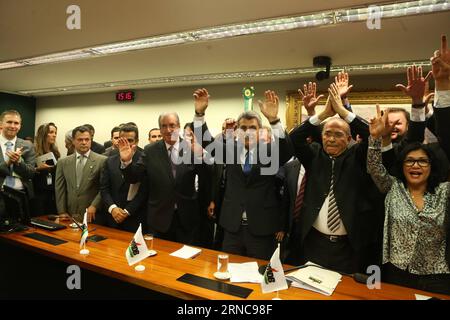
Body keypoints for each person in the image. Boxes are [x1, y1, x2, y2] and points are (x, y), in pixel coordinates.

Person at [288, 83, 384, 274]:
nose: (331, 139)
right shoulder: (314, 156)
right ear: (321, 137)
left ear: (349, 139)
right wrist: (322, 115)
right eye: (327, 134)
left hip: (348, 248)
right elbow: (294, 138)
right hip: (314, 243)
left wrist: (342, 111)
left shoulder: (357, 156)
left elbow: (370, 135)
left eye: (338, 135)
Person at [194, 88, 291, 260]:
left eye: (253, 128)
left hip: (261, 228)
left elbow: (286, 150)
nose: (248, 132)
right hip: (232, 228)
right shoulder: (230, 150)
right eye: (243, 128)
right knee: (230, 271)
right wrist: (199, 113)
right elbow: (206, 142)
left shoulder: (269, 151)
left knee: (259, 275)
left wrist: (274, 120)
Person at [118, 112, 208, 244]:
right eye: (164, 126)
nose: (168, 130)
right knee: (159, 260)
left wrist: (200, 154)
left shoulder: (190, 147)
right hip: (159, 219)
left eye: (172, 125)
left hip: (187, 218)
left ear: (179, 126)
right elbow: (134, 178)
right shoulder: (150, 150)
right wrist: (126, 162)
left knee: (186, 260)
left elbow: (206, 176)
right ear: (160, 128)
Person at [55, 125, 107, 222]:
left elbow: (104, 188)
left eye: (87, 139)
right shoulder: (63, 162)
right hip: (69, 215)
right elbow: (60, 189)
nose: (84, 142)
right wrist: (61, 211)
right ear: (73, 141)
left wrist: (94, 205)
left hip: (93, 215)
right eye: (80, 139)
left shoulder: (102, 161)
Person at [100, 125, 147, 232]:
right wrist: (113, 209)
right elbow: (104, 189)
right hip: (112, 218)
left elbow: (144, 191)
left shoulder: (145, 159)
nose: (127, 144)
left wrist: (126, 212)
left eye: (130, 140)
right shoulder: (109, 160)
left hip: (135, 218)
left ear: (137, 141)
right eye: (123, 140)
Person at [0, 110, 36, 217]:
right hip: (1, 195)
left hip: (20, 196)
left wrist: (19, 162)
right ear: (1, 124)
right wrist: (7, 162)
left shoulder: (27, 145)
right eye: (9, 122)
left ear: (20, 126)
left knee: (20, 231)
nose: (12, 126)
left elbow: (31, 173)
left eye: (16, 123)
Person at [32, 122, 60, 216]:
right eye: (51, 132)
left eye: (55, 133)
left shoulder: (55, 152)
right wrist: (38, 168)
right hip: (38, 192)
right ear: (43, 134)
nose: (54, 135)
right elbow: (26, 171)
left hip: (52, 192)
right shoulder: (33, 151)